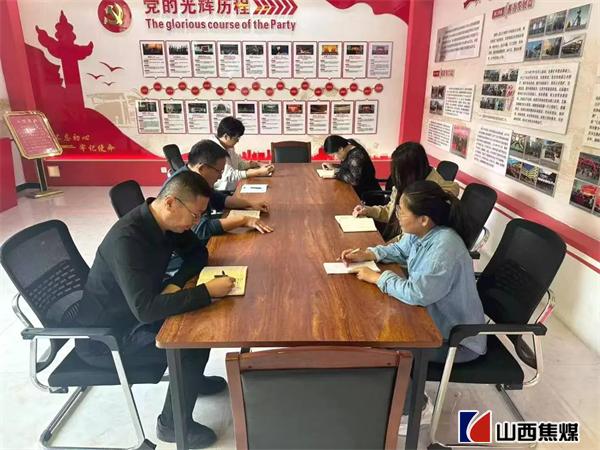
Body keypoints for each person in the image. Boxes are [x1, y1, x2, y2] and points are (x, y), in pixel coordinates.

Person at [75, 171, 236, 448]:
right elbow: (146, 311)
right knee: (190, 339)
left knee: (198, 320)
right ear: (171, 202)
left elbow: (198, 253)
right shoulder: (127, 240)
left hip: (137, 308)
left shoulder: (167, 222)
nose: (196, 222)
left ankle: (192, 381)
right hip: (108, 338)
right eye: (195, 215)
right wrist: (206, 291)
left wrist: (175, 283)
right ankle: (171, 425)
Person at [339, 180, 487, 434]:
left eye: (402, 211)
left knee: (387, 345)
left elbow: (418, 294)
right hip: (431, 320)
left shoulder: (445, 247)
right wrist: (369, 254)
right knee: (377, 326)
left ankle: (415, 408)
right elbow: (400, 250)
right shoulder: (423, 233)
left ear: (424, 219)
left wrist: (378, 277)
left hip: (456, 340)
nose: (397, 215)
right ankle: (396, 394)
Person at [168, 139, 274, 245]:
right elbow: (201, 230)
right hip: (191, 247)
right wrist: (244, 220)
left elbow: (218, 199)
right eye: (219, 171)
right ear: (202, 168)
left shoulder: (195, 177)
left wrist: (250, 204)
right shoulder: (186, 187)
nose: (220, 176)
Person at [352, 142, 459, 242]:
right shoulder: (410, 182)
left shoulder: (429, 197)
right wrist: (368, 210)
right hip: (395, 237)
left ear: (409, 171)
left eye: (398, 171)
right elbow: (391, 211)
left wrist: (381, 248)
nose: (395, 176)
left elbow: (408, 241)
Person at [212, 117, 274, 191]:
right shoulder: (214, 149)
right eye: (236, 138)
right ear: (226, 136)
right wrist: (258, 172)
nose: (238, 141)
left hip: (234, 187)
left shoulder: (228, 147)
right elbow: (228, 176)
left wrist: (257, 164)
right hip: (222, 191)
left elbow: (239, 164)